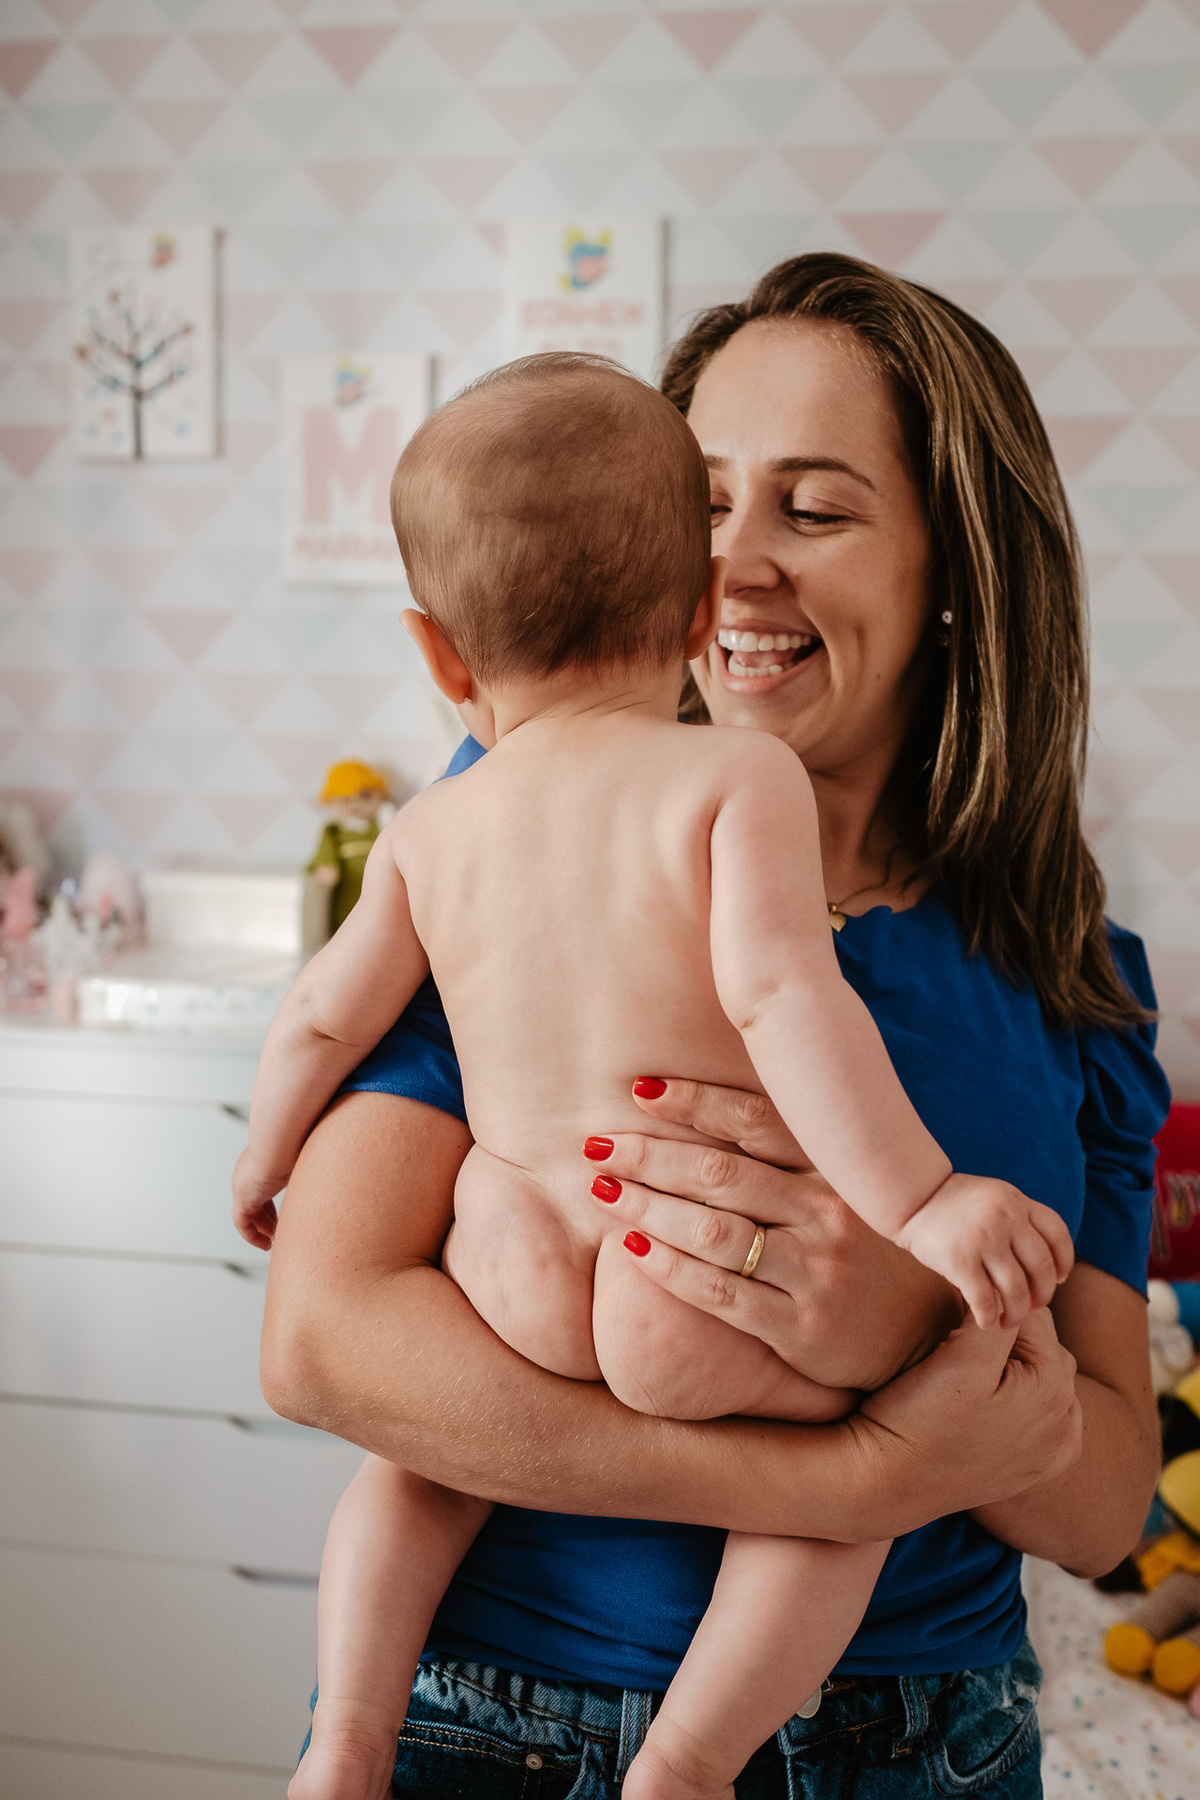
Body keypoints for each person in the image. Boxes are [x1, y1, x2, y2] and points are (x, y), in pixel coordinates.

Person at [260, 254, 1169, 1799]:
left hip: (929, 1750)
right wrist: (851, 1468)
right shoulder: (499, 849)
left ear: (953, 567)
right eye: (704, 506)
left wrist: (882, 1308)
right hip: (502, 1723)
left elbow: (1107, 1510)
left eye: (813, 510)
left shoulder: (1067, 968)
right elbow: (325, 1345)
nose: (740, 566)